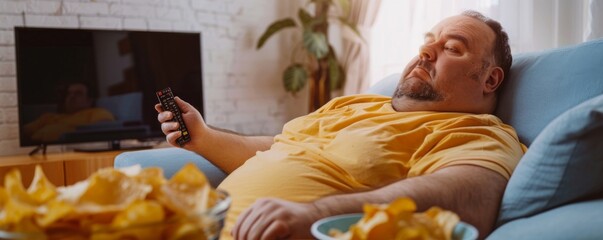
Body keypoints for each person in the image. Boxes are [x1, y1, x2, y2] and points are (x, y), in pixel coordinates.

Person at [156, 10, 525, 240]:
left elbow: (471, 196)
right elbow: (280, 148)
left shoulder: (476, 132)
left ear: (490, 81)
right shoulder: (356, 103)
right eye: (428, 43)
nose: (426, 52)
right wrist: (203, 137)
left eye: (453, 48)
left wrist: (316, 215)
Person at [24, 82, 114, 142]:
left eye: (78, 93)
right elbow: (22, 133)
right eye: (69, 93)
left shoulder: (96, 112)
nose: (71, 96)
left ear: (89, 101)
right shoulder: (48, 117)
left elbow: (106, 129)